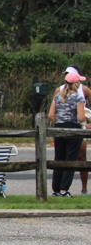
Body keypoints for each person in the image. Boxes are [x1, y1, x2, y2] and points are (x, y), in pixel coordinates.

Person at [48, 70, 87, 197]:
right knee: (71, 160)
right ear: (76, 83)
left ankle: (56, 189)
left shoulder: (58, 97)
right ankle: (64, 190)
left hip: (59, 129)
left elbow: (51, 115)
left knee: (59, 159)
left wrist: (58, 122)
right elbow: (81, 117)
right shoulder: (78, 97)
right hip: (73, 129)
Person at [63, 66, 91, 195]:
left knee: (81, 157)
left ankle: (84, 188)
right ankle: (62, 188)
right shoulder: (60, 90)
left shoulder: (84, 90)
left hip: (80, 126)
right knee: (63, 158)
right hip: (65, 127)